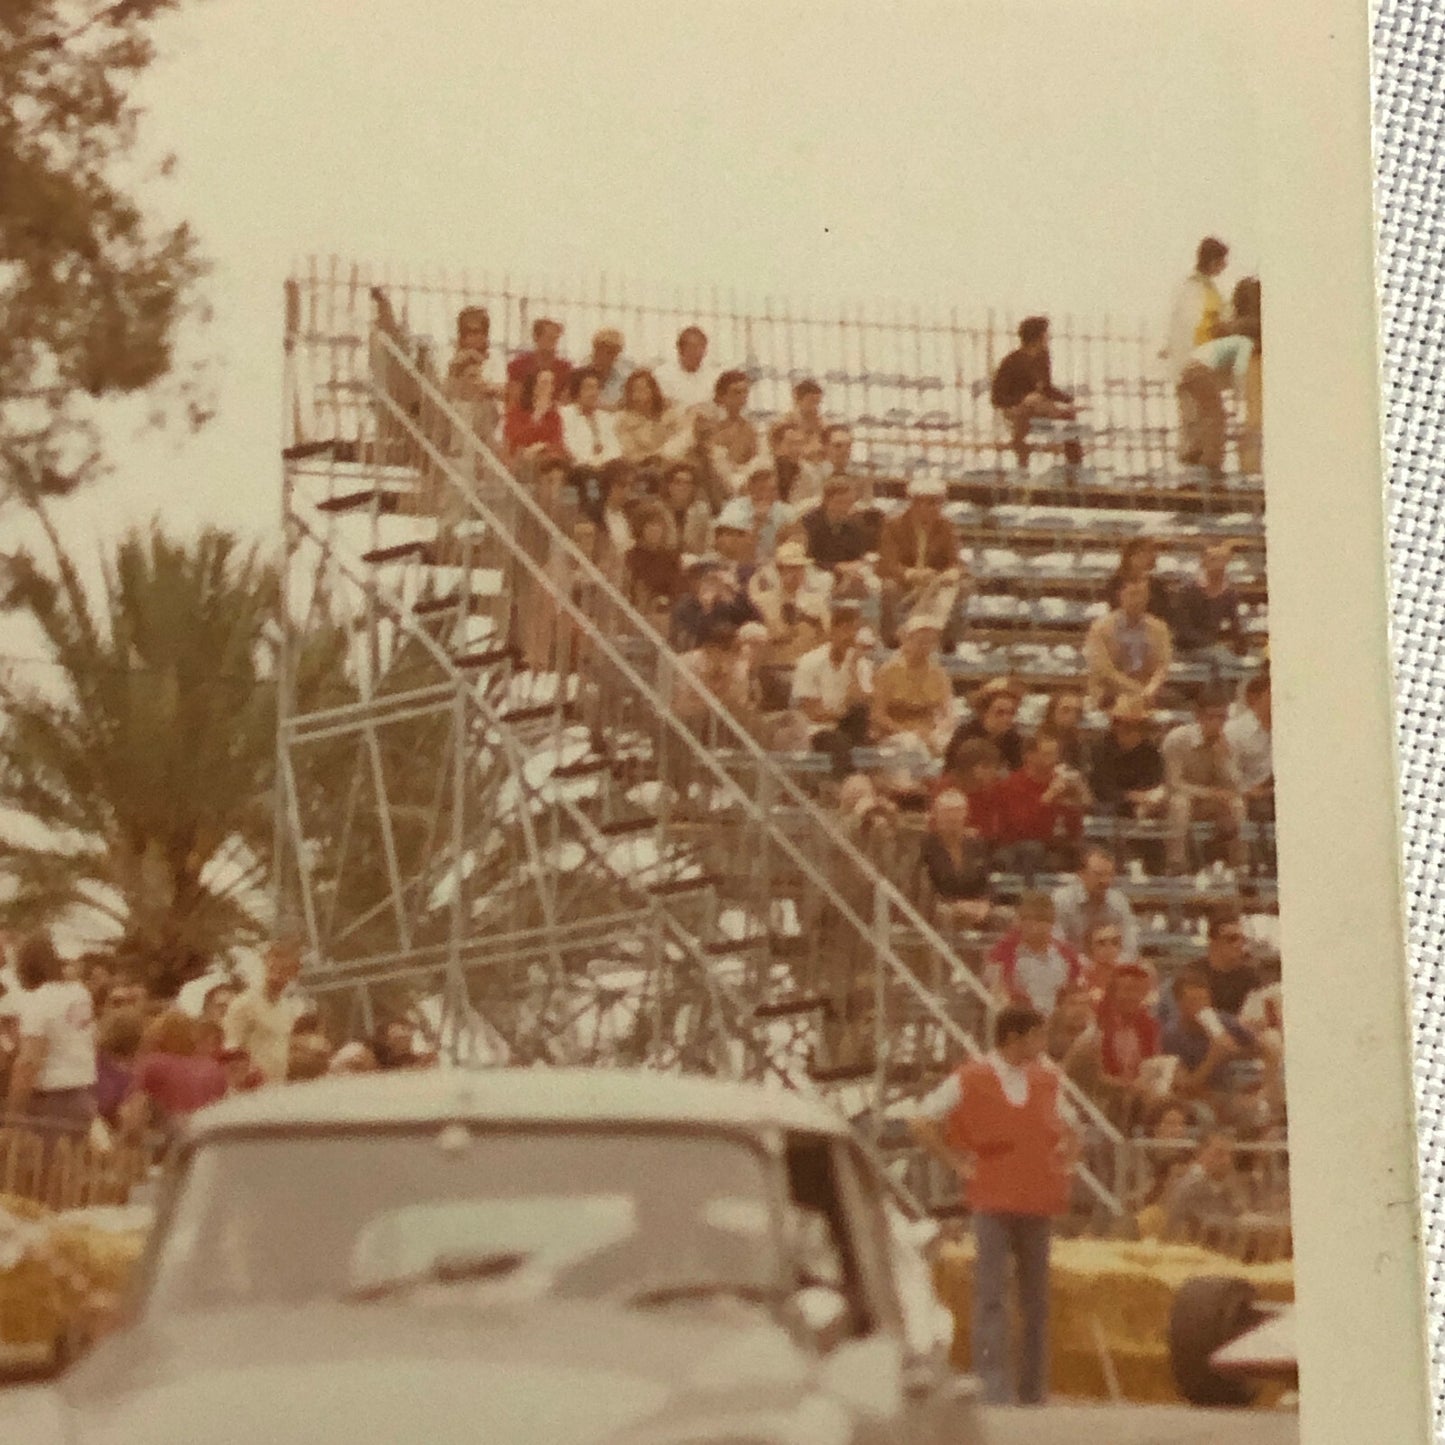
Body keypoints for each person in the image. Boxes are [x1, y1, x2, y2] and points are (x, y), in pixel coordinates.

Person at [908, 1005, 1078, 1406]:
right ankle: (993, 1388)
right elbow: (921, 1120)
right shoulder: (972, 1076)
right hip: (992, 1197)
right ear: (1013, 1039)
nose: (1041, 1044)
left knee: (1036, 1299)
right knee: (991, 1297)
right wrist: (954, 1161)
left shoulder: (1047, 1079)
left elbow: (1071, 1125)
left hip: (1037, 1197)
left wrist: (1066, 1160)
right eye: (1036, 1036)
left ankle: (1034, 1390)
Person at [3, 931, 98, 1146]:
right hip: (83, 1096)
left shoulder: (39, 1002)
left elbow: (29, 1062)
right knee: (67, 1174)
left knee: (38, 1174)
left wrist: (12, 1117)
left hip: (50, 1103)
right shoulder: (79, 993)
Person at [1162, 688, 1247, 874]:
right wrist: (1209, 793)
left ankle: (1241, 865)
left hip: (1209, 804)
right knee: (1180, 803)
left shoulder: (1228, 742)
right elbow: (1174, 783)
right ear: (1198, 716)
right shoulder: (1177, 739)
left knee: (1237, 804)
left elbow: (1235, 788)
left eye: (1222, 717)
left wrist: (1223, 758)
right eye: (1212, 717)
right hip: (1174, 801)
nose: (1217, 723)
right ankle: (1176, 864)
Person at [989, 729, 1088, 877]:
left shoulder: (1061, 780)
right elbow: (1022, 827)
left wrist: (1077, 797)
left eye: (1055, 754)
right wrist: (1048, 796)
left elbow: (1075, 830)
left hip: (1055, 846)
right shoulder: (1012, 784)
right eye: (1047, 754)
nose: (1053, 760)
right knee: (1033, 849)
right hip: (1017, 846)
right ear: (1029, 756)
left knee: (1091, 854)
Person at [877, 476, 961, 647]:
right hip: (904, 582)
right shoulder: (894, 525)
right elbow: (888, 562)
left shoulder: (947, 527)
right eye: (930, 503)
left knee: (962, 586)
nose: (935, 508)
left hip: (933, 583)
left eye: (938, 503)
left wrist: (952, 572)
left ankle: (947, 642)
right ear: (915, 504)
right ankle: (892, 640)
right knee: (889, 588)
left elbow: (955, 560)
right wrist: (912, 574)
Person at [990, 316, 1083, 471]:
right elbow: (997, 398)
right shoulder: (1011, 362)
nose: (1049, 338)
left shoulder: (1043, 358)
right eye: (1046, 334)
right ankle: (1022, 463)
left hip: (1040, 408)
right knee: (1028, 411)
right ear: (1038, 337)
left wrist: (1069, 400)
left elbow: (1046, 388)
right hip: (1016, 410)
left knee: (1068, 415)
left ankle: (1074, 463)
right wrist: (1023, 399)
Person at [790, 603, 874, 771]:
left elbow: (861, 705)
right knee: (839, 740)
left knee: (861, 719)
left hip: (851, 727)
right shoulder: (810, 661)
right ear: (833, 631)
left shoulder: (860, 664)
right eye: (845, 629)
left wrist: (853, 670)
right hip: (817, 730)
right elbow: (813, 712)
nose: (850, 636)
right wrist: (843, 715)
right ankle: (847, 785)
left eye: (855, 630)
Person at [121, 1009, 228, 1139]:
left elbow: (134, 1114)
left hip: (172, 1139)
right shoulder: (213, 1067)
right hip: (207, 1137)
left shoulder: (153, 1064)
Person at [985, 891, 1086, 1015]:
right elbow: (997, 993)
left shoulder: (1067, 955)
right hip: (1019, 1023)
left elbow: (1075, 992)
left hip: (1057, 1024)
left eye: (1044, 920)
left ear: (1052, 923)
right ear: (1020, 921)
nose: (1037, 927)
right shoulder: (1001, 955)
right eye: (1031, 920)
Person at [223, 935, 303, 1086]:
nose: (278, 974)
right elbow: (230, 1051)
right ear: (265, 964)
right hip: (250, 1092)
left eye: (285, 969)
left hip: (278, 1088)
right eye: (274, 967)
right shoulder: (243, 1004)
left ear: (294, 974)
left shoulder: (287, 1007)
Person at [1083, 576, 1174, 709]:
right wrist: (1137, 691)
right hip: (1110, 692)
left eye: (1142, 595)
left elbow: (1162, 666)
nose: (1137, 600)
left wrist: (1151, 689)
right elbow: (1105, 671)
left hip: (1148, 691)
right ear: (1120, 596)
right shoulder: (1100, 628)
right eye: (1132, 594)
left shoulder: (1159, 628)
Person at [1176, 328, 1256, 474]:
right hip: (1199, 369)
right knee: (1216, 417)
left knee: (1195, 416)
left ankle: (1190, 455)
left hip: (1184, 369)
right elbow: (1240, 371)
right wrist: (1240, 402)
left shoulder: (1225, 343)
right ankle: (1211, 464)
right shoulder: (1246, 342)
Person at [869, 615, 954, 753]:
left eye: (931, 642)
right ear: (907, 640)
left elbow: (948, 713)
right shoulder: (888, 671)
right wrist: (910, 732)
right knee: (911, 744)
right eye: (921, 641)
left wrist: (939, 730)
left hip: (929, 731)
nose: (926, 646)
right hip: (896, 733)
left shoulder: (939, 674)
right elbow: (878, 715)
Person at [1161, 237, 1230, 386]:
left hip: (1208, 360)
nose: (1225, 265)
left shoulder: (1211, 288)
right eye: (1222, 261)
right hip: (1194, 362)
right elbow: (1185, 325)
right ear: (1213, 262)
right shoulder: (1191, 288)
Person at [920, 790, 993, 929]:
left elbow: (986, 880)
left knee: (1004, 916)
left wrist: (985, 903)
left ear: (966, 814)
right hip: (941, 905)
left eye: (957, 811)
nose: (952, 817)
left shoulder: (976, 843)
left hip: (974, 904)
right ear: (935, 814)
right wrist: (955, 905)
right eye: (947, 812)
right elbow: (925, 887)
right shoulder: (926, 845)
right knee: (946, 914)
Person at [1051, 846, 1140, 958]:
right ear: (1081, 875)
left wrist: (1114, 964)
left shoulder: (1118, 900)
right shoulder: (1062, 900)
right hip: (1072, 966)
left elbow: (1129, 945)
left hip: (1110, 965)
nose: (1105, 881)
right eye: (1099, 874)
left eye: (1110, 875)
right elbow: (1057, 944)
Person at [1089, 694, 1167, 818]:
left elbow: (1153, 782)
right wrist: (1130, 796)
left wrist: (1145, 798)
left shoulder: (1150, 752)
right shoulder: (1100, 749)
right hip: (1107, 805)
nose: (1128, 730)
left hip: (1143, 806)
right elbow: (1101, 788)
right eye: (1121, 724)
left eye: (1138, 726)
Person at [1164, 1130, 1250, 1241]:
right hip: (1190, 1249)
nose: (1227, 1160)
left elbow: (1238, 1211)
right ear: (1200, 1153)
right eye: (1219, 1154)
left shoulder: (1222, 1184)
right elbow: (1208, 1225)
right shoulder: (1191, 1186)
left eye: (1230, 1155)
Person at [946, 678, 1026, 773]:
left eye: (1011, 713)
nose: (1007, 719)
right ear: (984, 712)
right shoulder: (964, 735)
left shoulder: (1013, 739)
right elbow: (950, 770)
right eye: (1000, 713)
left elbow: (1017, 771)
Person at [1225, 672, 1274, 818]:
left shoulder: (1294, 731)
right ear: (1256, 698)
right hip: (1247, 796)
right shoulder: (1234, 730)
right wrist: (1250, 790)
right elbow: (1229, 772)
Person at [614, 368, 687, 465]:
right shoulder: (623, 421)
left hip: (671, 465)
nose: (639, 394)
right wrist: (652, 458)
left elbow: (680, 441)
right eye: (635, 390)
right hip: (641, 469)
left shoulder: (670, 415)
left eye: (643, 389)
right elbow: (630, 453)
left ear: (653, 390)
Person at [1199, 908, 1263, 1017]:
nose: (1239, 944)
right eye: (1232, 939)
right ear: (1213, 942)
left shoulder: (1249, 977)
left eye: (1242, 939)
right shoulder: (1195, 974)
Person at [623, 504, 684, 615]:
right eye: (650, 525)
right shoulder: (631, 558)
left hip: (666, 612)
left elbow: (678, 589)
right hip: (639, 612)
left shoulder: (671, 557)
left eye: (658, 525)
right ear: (640, 528)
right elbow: (630, 591)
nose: (655, 529)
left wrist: (666, 600)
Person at [560, 367, 622, 468]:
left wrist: (605, 464)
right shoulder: (565, 415)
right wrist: (592, 464)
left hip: (607, 470)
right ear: (577, 390)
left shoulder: (605, 418)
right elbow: (569, 448)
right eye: (588, 388)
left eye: (596, 388)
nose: (594, 393)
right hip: (579, 469)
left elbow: (615, 448)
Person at [709, 369, 759, 492]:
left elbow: (753, 460)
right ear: (721, 396)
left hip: (741, 484)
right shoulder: (708, 424)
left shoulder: (748, 428)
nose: (742, 397)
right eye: (736, 393)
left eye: (745, 392)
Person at [1103, 538, 1173, 621]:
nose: (1154, 555)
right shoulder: (1116, 583)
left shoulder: (1157, 584)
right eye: (1148, 552)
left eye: (1154, 551)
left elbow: (1164, 613)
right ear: (1132, 557)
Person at [503, 365, 564, 459]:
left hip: (546, 461)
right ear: (533, 387)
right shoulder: (516, 411)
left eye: (551, 384)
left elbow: (557, 443)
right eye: (545, 383)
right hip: (520, 460)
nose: (550, 388)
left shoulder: (553, 415)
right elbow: (515, 441)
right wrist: (537, 416)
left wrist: (542, 447)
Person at [654, 325, 719, 412]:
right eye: (691, 347)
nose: (696, 352)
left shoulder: (715, 377)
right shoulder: (661, 376)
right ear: (679, 349)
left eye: (700, 347)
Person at [506, 315, 572, 395]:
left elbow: (565, 400)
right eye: (549, 338)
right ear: (535, 337)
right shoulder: (518, 366)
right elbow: (514, 398)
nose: (553, 344)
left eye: (556, 339)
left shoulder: (564, 368)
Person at [658, 461, 712, 556]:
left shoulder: (702, 510)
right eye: (678, 482)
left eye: (687, 483)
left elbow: (708, 543)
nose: (683, 487)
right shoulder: (658, 510)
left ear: (693, 488)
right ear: (669, 485)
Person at [1041, 686, 1091, 773]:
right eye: (1066, 710)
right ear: (1052, 712)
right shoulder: (1037, 743)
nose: (1072, 716)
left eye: (1077, 711)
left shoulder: (1082, 744)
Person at [583, 326, 633, 409]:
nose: (603, 356)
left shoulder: (624, 379)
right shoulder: (580, 376)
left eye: (610, 352)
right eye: (600, 349)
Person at [785, 377, 828, 460]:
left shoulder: (821, 425)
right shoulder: (785, 424)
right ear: (798, 400)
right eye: (811, 402)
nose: (815, 407)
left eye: (818, 403)